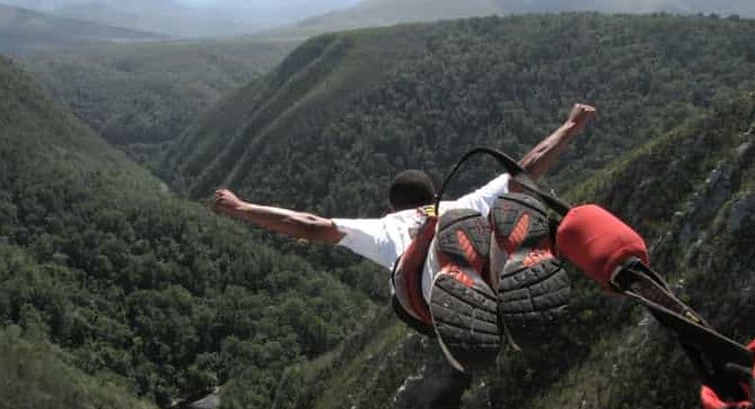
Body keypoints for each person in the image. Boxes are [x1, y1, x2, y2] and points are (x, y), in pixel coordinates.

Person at [213, 103, 596, 370]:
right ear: (433, 196)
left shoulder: (386, 227)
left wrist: (241, 208)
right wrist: (570, 126)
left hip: (428, 297)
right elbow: (526, 169)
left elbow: (310, 225)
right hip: (471, 239)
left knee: (408, 282)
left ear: (393, 207)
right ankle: (505, 265)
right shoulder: (462, 203)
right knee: (505, 204)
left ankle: (450, 279)